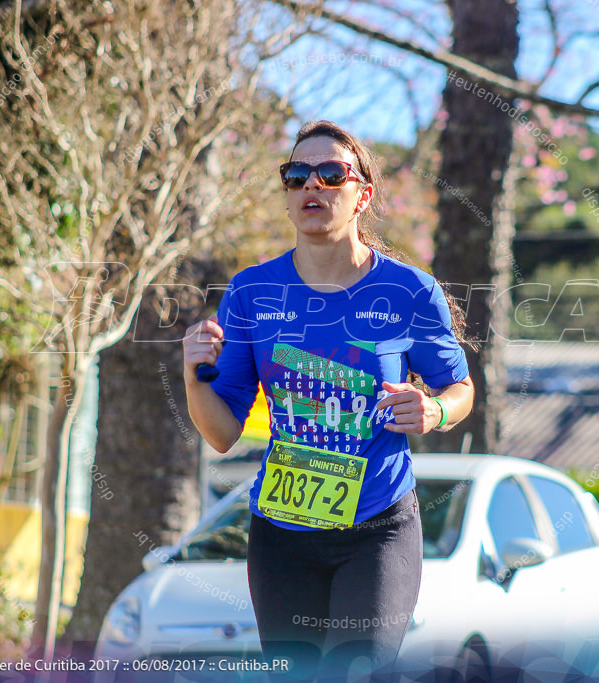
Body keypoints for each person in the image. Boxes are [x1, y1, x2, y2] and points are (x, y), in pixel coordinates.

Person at [182, 120, 474, 682]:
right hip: (283, 533)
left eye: (330, 173)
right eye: (295, 175)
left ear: (362, 194)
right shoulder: (252, 292)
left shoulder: (408, 291)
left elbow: (459, 390)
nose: (310, 185)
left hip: (377, 527)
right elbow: (221, 434)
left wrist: (435, 410)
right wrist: (195, 380)